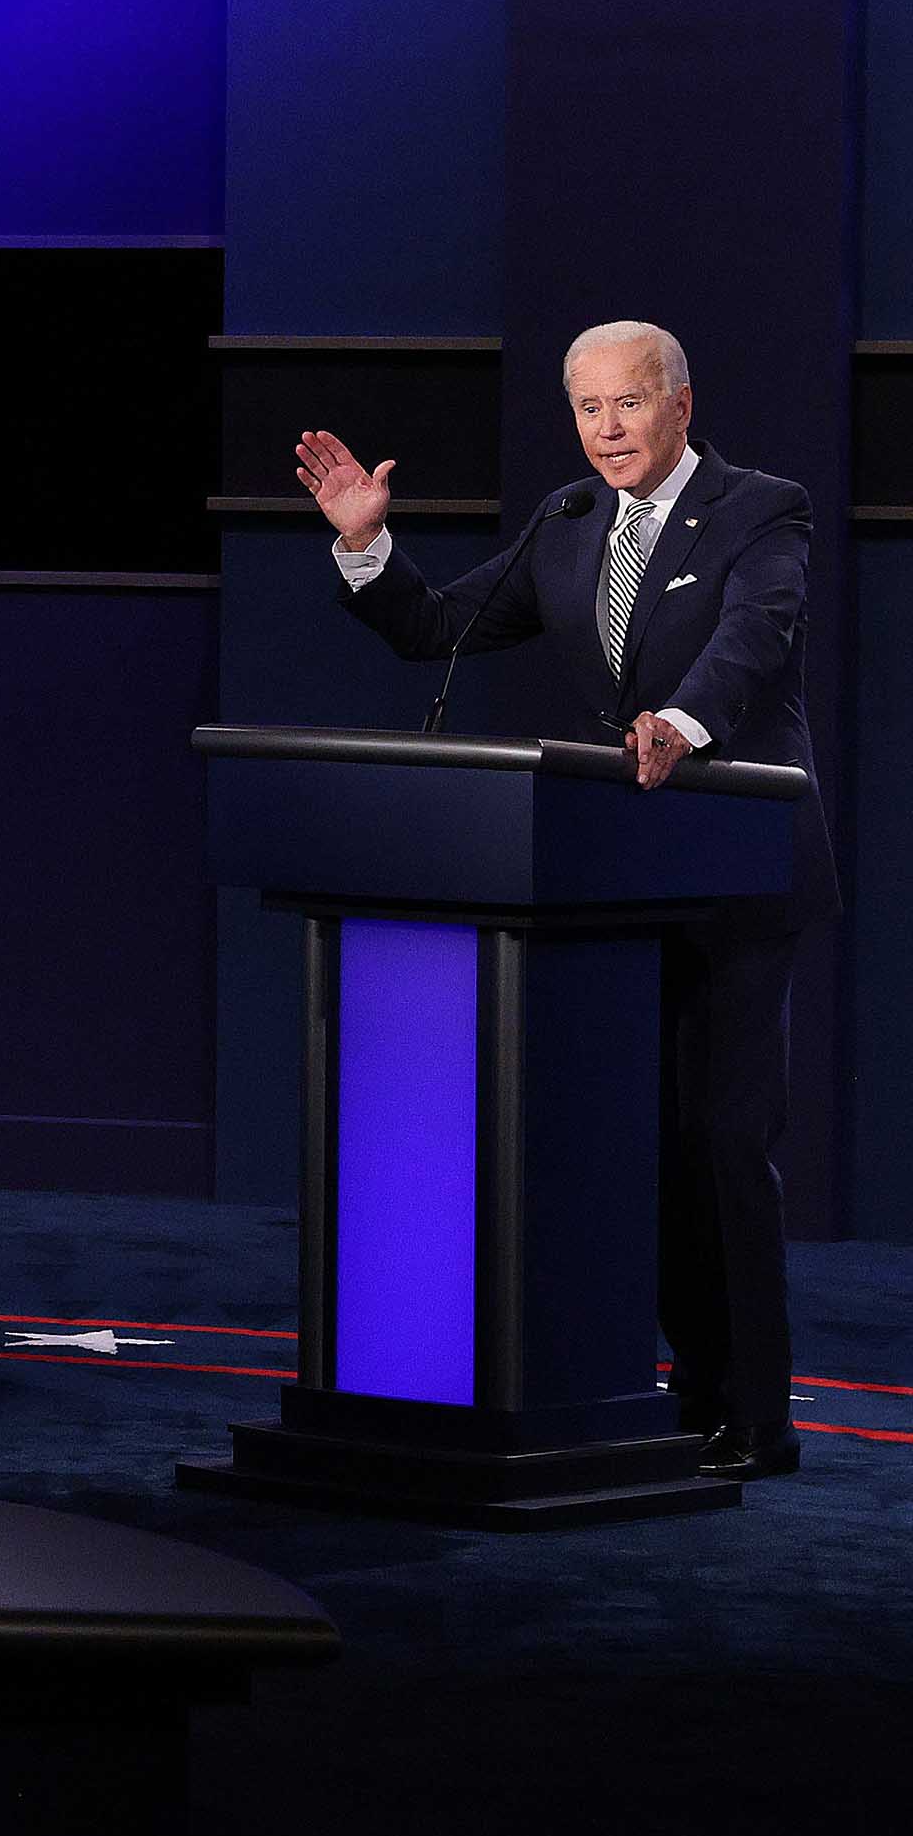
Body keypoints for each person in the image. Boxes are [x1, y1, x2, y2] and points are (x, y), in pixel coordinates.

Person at [294, 320, 835, 1480]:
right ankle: (691, 1387)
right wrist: (367, 548)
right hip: (617, 882)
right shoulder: (570, 521)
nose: (605, 430)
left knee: (726, 1141)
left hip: (739, 873)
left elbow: (755, 638)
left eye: (626, 405)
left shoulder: (763, 507)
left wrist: (683, 724)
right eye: (586, 408)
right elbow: (439, 629)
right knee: (654, 1149)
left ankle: (758, 1416)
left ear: (680, 405)